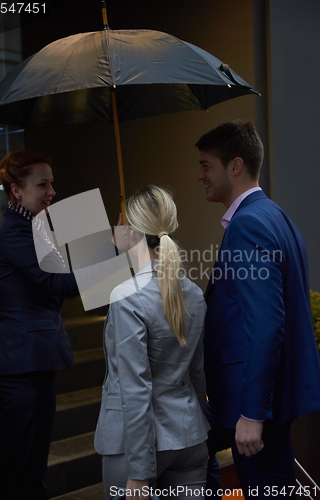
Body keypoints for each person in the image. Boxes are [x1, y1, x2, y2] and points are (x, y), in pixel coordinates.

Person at [195, 121, 320, 499]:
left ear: (235, 166)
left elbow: (266, 324)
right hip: (272, 395)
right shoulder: (274, 215)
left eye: (206, 165)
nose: (199, 175)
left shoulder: (248, 224)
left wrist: (251, 414)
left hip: (254, 404)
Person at [94, 185, 209, 500]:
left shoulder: (125, 296)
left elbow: (135, 388)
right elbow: (197, 375)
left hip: (138, 448)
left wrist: (141, 472)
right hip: (190, 437)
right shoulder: (196, 295)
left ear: (132, 233)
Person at [0, 150, 81, 500]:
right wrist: (113, 251)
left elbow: (1, 287)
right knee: (20, 468)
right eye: (42, 184)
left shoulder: (35, 227)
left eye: (52, 183)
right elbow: (60, 285)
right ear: (16, 191)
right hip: (19, 364)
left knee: (30, 464)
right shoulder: (16, 233)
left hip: (34, 359)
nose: (52, 191)